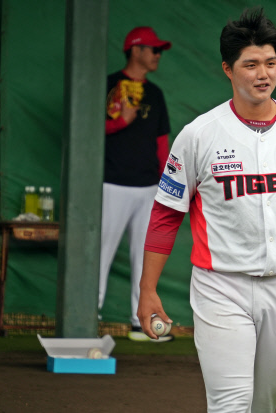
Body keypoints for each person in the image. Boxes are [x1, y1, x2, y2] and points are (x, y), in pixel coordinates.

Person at [137, 7, 276, 412]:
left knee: (263, 404)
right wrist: (148, 289)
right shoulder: (198, 135)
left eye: (270, 63)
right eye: (250, 64)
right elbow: (166, 215)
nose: (263, 74)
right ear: (228, 69)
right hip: (221, 286)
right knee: (230, 403)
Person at [99, 26, 173, 342]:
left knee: (146, 258)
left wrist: (166, 186)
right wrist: (120, 122)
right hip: (112, 184)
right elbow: (86, 129)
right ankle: (85, 317)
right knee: (100, 253)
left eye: (159, 51)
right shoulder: (107, 84)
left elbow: (162, 143)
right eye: (153, 49)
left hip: (148, 187)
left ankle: (141, 322)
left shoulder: (155, 93)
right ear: (136, 50)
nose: (157, 55)